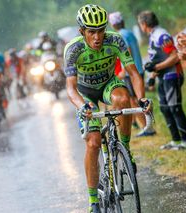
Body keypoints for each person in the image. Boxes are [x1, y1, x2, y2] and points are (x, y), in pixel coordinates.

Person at [64, 4, 150, 212]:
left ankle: (125, 148)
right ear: (81, 31)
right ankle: (94, 201)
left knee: (122, 99)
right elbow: (70, 88)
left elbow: (133, 73)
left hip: (107, 85)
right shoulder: (73, 49)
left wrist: (141, 99)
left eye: (101, 30)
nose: (97, 37)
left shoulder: (116, 40)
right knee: (93, 143)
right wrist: (82, 105)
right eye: (91, 31)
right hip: (85, 94)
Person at [138, 10, 186, 150]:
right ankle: (175, 140)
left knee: (175, 108)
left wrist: (156, 66)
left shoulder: (161, 35)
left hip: (172, 75)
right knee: (165, 109)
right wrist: (152, 76)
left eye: (140, 24)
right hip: (163, 77)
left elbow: (175, 56)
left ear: (144, 24)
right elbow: (160, 57)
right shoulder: (154, 35)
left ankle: (185, 142)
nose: (140, 27)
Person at [109, 11, 156, 137]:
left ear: (112, 24)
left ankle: (146, 127)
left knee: (134, 101)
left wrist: (124, 71)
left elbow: (127, 51)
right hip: (138, 69)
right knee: (138, 99)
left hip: (131, 72)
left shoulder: (121, 35)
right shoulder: (129, 32)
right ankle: (147, 126)